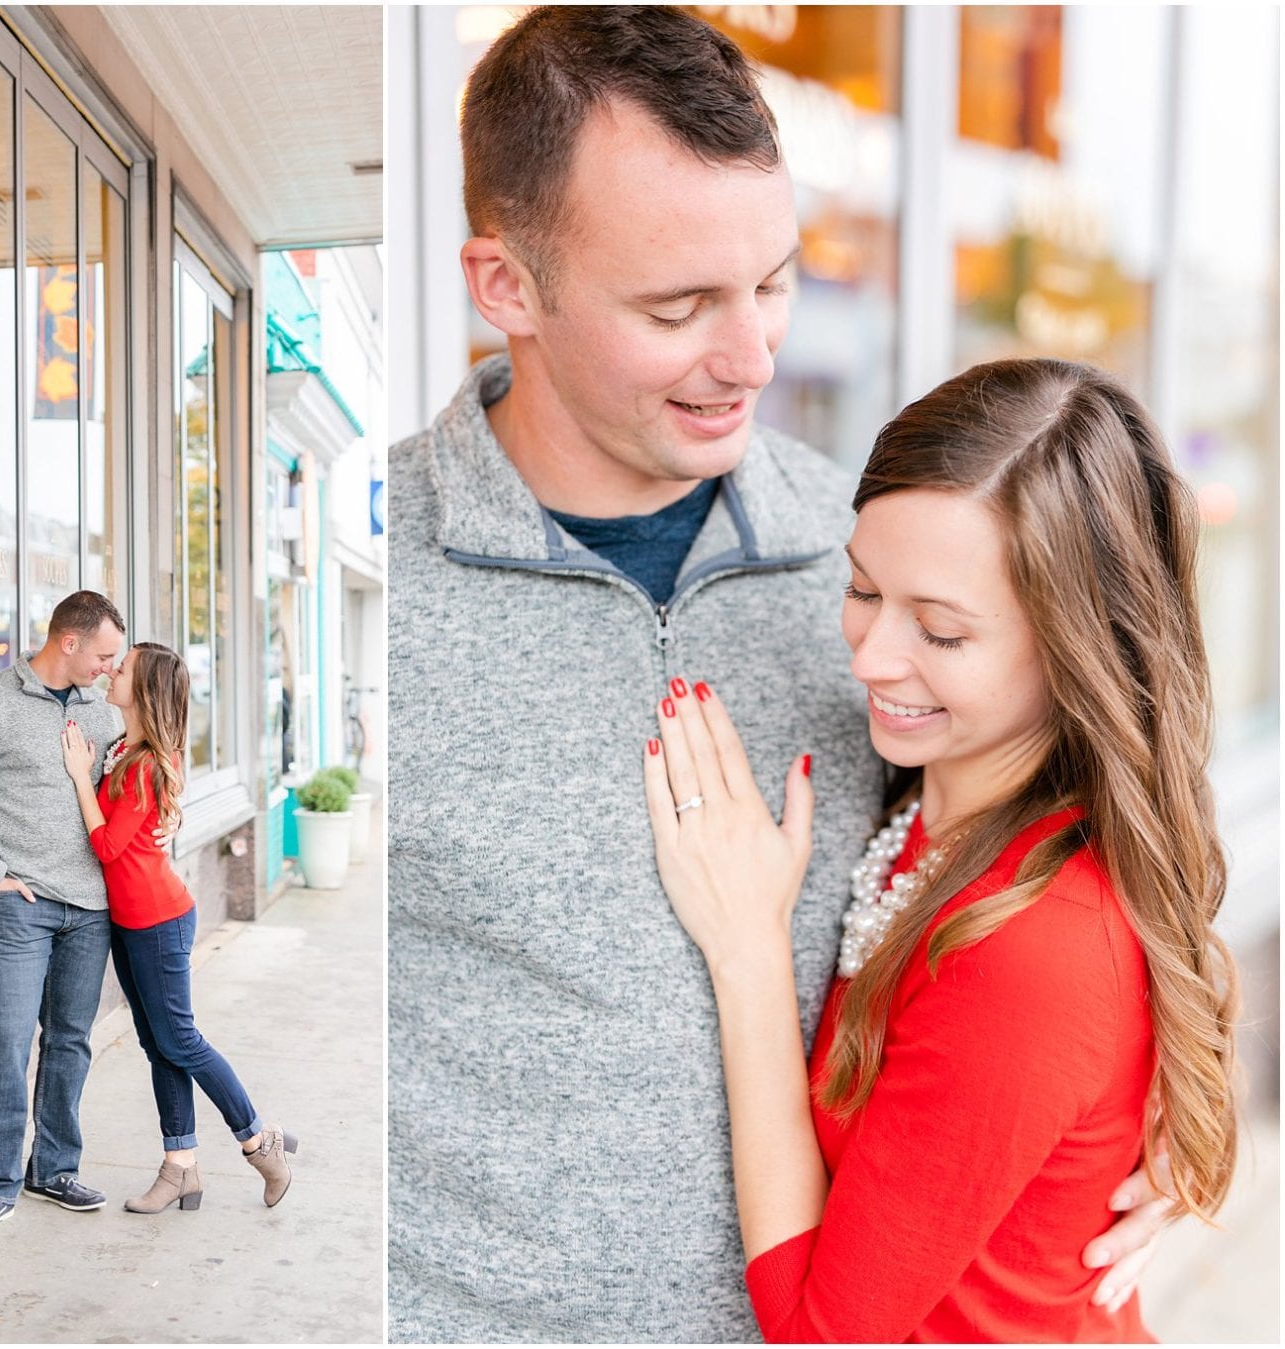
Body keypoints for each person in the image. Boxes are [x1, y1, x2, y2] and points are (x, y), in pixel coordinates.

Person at [387, 8, 1170, 1340]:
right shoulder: (370, 576)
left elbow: (1103, 822)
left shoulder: (867, 553)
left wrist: (1152, 1131)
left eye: (772, 282)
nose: (752, 357)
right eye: (679, 306)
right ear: (505, 285)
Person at [642, 359, 1238, 1340]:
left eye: (941, 630)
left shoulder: (1032, 945)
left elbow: (822, 1332)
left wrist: (747, 947)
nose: (871, 655)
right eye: (863, 587)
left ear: (1077, 648)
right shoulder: (940, 800)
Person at [59, 642, 298, 1211]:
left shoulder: (142, 764)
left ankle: (257, 1140)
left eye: (124, 668)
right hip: (132, 920)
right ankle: (181, 1167)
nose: (112, 671)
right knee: (159, 1044)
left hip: (159, 921)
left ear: (144, 690)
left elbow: (110, 846)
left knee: (179, 1040)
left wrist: (76, 776)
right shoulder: (126, 748)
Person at [0, 589, 128, 1239]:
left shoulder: (104, 713)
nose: (109, 666)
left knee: (71, 1041)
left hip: (92, 907)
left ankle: (54, 1167)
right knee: (7, 1040)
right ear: (67, 642)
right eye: (102, 653)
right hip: (20, 905)